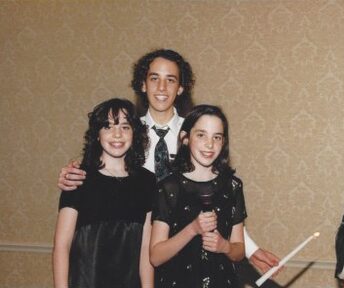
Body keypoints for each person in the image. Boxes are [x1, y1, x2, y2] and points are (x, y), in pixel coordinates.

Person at [56, 48, 279, 275]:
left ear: (180, 88)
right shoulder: (125, 135)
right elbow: (98, 167)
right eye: (154, 79)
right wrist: (74, 168)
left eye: (170, 80)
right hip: (132, 256)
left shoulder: (196, 135)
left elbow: (218, 196)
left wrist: (251, 250)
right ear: (143, 84)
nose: (161, 88)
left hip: (187, 255)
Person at [52, 98, 155, 288]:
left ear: (135, 134)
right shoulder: (77, 177)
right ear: (97, 134)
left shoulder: (147, 181)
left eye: (125, 127)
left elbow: (144, 251)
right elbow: (61, 246)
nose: (117, 134)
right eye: (108, 126)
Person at [150, 104, 246, 287]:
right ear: (185, 138)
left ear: (223, 142)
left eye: (216, 137)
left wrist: (224, 246)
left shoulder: (232, 186)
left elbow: (239, 251)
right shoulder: (169, 188)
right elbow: (155, 257)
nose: (209, 144)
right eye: (201, 135)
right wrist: (192, 229)